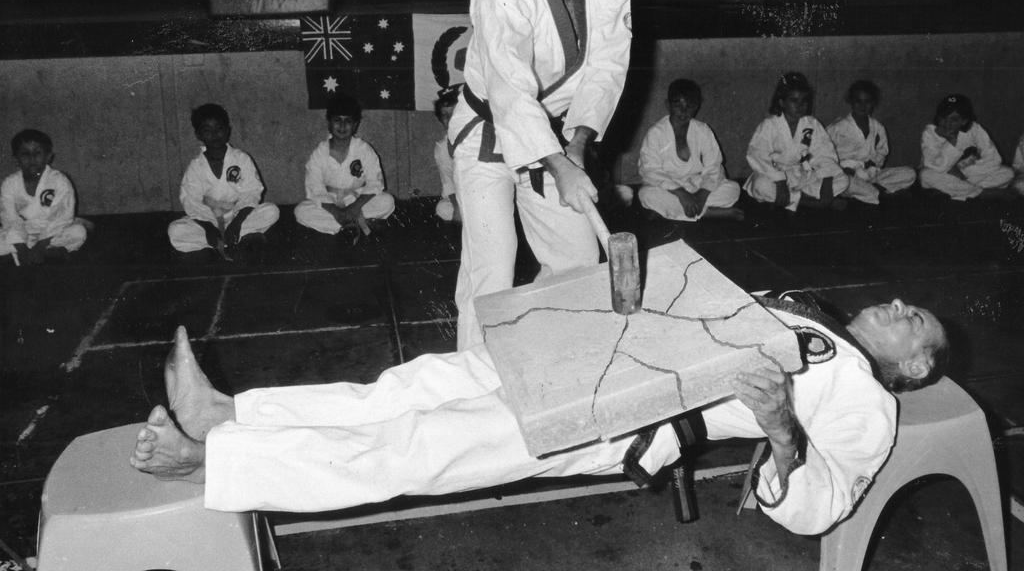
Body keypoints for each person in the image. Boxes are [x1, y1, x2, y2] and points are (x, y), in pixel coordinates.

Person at [130, 295, 947, 537]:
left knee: (425, 445)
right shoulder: (811, 313)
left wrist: (777, 427)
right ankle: (228, 412)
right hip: (591, 354)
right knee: (410, 386)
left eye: (916, 324)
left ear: (914, 368)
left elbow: (822, 505)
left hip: (619, 414)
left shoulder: (867, 402)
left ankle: (215, 465)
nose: (904, 307)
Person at [447, 0, 632, 349]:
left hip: (557, 137)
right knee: (493, 264)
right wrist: (558, 164)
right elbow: (509, 93)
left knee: (576, 258)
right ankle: (474, 379)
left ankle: (555, 358)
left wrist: (577, 146)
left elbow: (606, 73)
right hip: (489, 129)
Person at [167, 104, 279, 259]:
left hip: (236, 216)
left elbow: (252, 191)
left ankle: (223, 240)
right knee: (175, 230)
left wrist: (237, 222)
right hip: (208, 220)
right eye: (207, 131)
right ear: (198, 135)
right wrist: (208, 228)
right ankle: (232, 239)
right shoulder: (196, 166)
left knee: (271, 211)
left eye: (219, 129)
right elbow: (191, 200)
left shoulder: (241, 159)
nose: (215, 135)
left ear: (227, 130)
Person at [637, 79, 743, 222]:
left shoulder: (703, 130)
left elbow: (714, 166)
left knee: (733, 189)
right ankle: (710, 213)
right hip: (670, 188)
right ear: (667, 105)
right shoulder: (656, 133)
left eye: (690, 105)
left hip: (697, 185)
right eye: (678, 104)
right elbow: (650, 170)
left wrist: (702, 194)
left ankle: (672, 211)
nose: (684, 110)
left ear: (697, 107)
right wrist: (681, 194)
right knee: (646, 194)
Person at [744, 72, 849, 211]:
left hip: (802, 175)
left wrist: (827, 181)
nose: (800, 105)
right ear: (781, 102)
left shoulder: (812, 124)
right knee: (760, 185)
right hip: (776, 175)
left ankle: (789, 199)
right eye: (794, 100)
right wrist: (780, 182)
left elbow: (824, 153)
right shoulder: (769, 125)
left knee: (842, 179)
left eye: (804, 101)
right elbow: (758, 155)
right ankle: (809, 202)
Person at [294, 94, 395, 236]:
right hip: (331, 203)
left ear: (355, 125)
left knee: (387, 201)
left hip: (358, 200)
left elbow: (375, 183)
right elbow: (314, 188)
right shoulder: (319, 153)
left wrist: (354, 207)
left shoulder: (364, 149)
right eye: (337, 120)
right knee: (301, 211)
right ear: (329, 123)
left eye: (348, 121)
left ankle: (342, 225)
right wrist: (336, 212)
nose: (342, 126)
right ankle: (354, 224)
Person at [1, 129, 88, 264]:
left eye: (37, 153)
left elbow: (63, 217)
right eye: (25, 154)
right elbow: (9, 218)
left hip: (51, 234)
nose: (32, 159)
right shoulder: (9, 184)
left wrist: (40, 246)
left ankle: (51, 252)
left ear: (48, 156)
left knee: (78, 232)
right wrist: (21, 248)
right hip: (22, 234)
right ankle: (26, 254)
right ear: (15, 159)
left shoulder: (59, 181)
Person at [826, 80, 915, 205]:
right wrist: (841, 169)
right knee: (844, 182)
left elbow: (882, 152)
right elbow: (824, 154)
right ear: (851, 101)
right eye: (858, 101)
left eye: (867, 102)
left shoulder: (877, 127)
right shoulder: (837, 127)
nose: (863, 106)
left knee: (909, 173)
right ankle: (881, 193)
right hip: (847, 175)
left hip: (871, 175)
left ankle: (872, 193)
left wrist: (874, 162)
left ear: (873, 103)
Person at [919, 93, 1013, 201]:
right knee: (926, 175)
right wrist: (951, 142)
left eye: (953, 120)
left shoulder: (975, 129)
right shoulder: (930, 132)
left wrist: (963, 172)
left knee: (1007, 173)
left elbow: (994, 159)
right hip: (944, 175)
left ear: (964, 121)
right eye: (943, 118)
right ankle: (981, 193)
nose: (946, 123)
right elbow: (935, 167)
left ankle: (960, 191)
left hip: (968, 175)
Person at [432, 87, 461, 222]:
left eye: (454, 114)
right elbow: (448, 182)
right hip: (463, 196)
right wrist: (457, 207)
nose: (450, 120)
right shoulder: (442, 147)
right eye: (445, 115)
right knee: (444, 209)